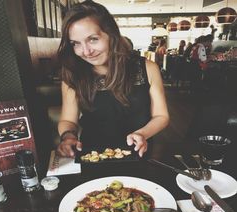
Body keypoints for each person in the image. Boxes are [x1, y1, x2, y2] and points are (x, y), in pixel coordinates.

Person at [56, 0, 169, 158]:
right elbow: (68, 120)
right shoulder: (73, 73)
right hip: (92, 156)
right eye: (75, 43)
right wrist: (68, 137)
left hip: (140, 152)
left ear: (111, 34)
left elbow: (161, 116)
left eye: (93, 39)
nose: (86, 51)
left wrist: (143, 134)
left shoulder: (147, 68)